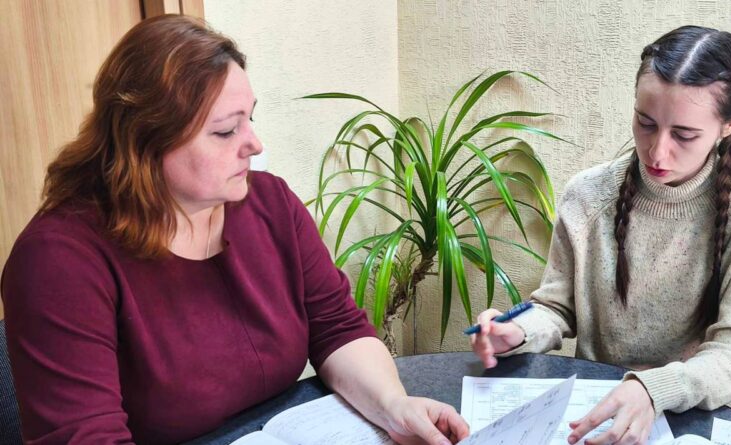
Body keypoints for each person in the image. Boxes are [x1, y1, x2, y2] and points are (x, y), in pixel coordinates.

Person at [1, 15, 469, 445]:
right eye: (226, 131)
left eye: (251, 118)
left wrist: (393, 407)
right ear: (144, 141)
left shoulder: (270, 204)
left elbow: (338, 329)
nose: (255, 144)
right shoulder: (58, 260)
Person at [471, 25, 731, 445]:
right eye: (645, 122)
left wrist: (652, 389)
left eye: (684, 134)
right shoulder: (587, 195)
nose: (657, 151)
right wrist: (519, 331)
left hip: (702, 419)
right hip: (599, 408)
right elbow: (556, 306)